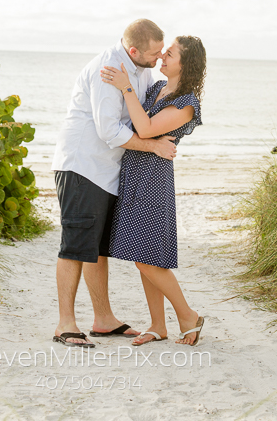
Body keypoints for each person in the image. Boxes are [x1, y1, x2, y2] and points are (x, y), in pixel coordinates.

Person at [50, 19, 177, 347]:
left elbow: (141, 113)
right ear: (133, 50)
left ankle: (103, 319)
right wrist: (153, 146)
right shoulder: (109, 68)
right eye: (153, 53)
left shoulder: (142, 68)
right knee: (75, 245)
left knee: (98, 249)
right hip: (82, 166)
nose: (158, 58)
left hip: (107, 171)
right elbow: (109, 131)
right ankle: (65, 323)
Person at [100, 35, 206, 346]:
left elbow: (145, 128)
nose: (162, 56)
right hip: (133, 172)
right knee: (144, 254)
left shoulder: (187, 104)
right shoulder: (157, 88)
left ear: (185, 65)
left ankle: (188, 315)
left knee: (146, 257)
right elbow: (137, 124)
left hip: (153, 179)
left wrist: (125, 87)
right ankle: (158, 325)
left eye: (170, 54)